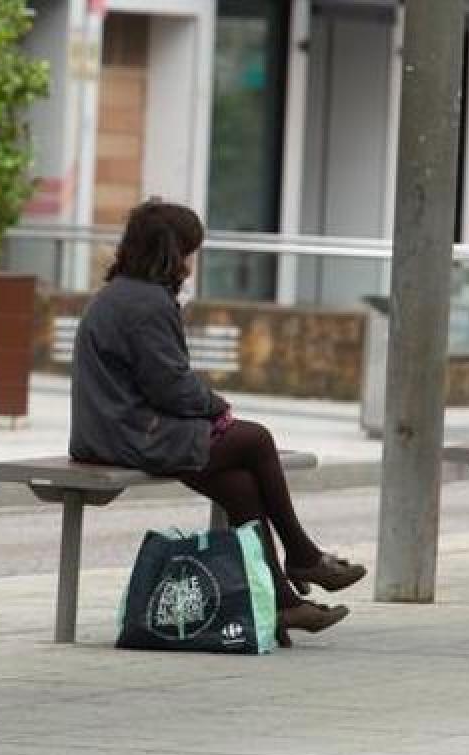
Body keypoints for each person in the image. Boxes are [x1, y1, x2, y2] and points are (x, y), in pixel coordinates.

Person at [69, 200, 366, 647]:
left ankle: (283, 601)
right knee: (256, 439)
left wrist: (206, 409)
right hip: (129, 435)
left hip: (118, 430)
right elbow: (170, 386)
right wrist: (216, 405)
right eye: (191, 250)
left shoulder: (124, 294)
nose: (193, 262)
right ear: (173, 253)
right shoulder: (147, 303)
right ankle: (302, 555)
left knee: (241, 486)